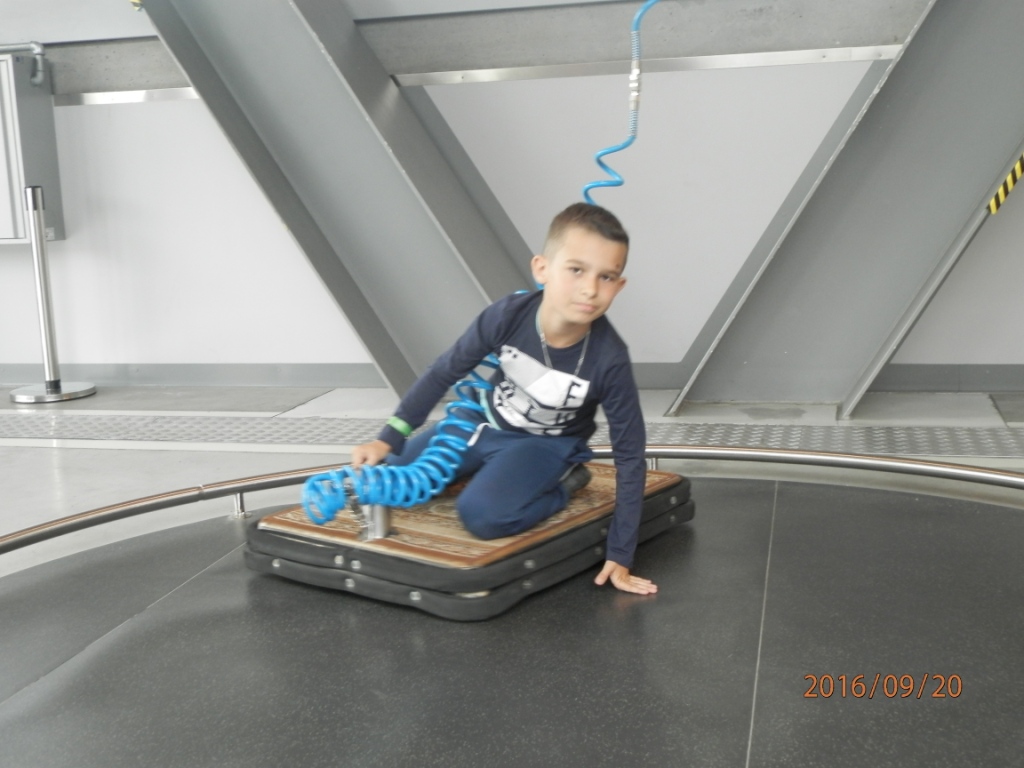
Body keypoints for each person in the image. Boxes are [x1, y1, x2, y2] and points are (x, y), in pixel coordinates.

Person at [350, 202, 656, 595]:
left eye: (606, 277)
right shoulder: (507, 315)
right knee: (392, 477)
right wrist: (388, 438)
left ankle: (566, 483)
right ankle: (476, 471)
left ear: (619, 285)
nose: (590, 289)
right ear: (542, 269)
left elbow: (630, 454)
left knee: (481, 515)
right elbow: (444, 371)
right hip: (484, 423)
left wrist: (621, 553)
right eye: (576, 270)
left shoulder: (609, 359)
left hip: (543, 445)